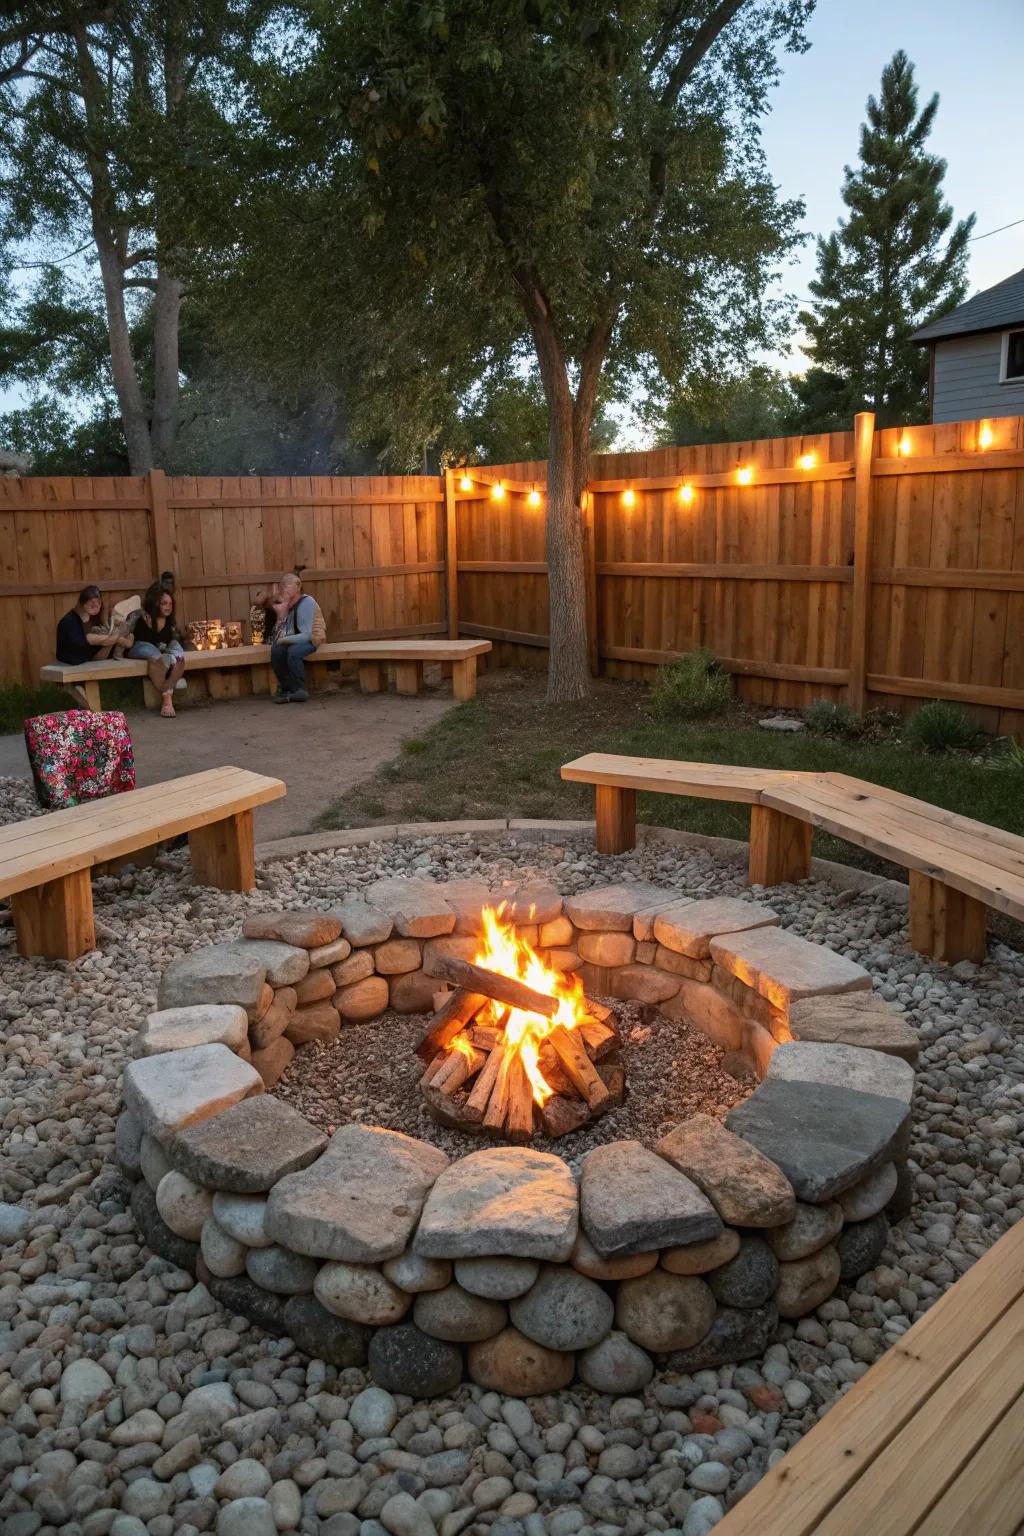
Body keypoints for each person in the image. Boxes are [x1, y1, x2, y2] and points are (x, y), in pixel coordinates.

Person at [55, 586, 134, 705]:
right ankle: (83, 694)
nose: (96, 606)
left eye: (98, 603)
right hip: (74, 658)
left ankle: (119, 643)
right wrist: (116, 637)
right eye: (91, 604)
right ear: (82, 603)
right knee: (106, 638)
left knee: (111, 637)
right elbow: (94, 639)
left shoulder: (90, 618)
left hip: (84, 655)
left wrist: (118, 638)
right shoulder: (71, 620)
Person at [128, 587, 187, 718]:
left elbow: (174, 640)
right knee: (155, 655)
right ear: (155, 603)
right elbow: (136, 639)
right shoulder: (144, 617)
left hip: (160, 650)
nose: (168, 607)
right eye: (164, 603)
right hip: (139, 647)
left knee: (176, 650)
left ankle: (170, 681)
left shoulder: (169, 621)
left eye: (170, 604)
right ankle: (168, 697)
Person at [270, 571, 326, 702]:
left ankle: (299, 689)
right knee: (276, 651)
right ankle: (286, 687)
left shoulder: (307, 602)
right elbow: (279, 633)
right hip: (295, 638)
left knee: (293, 652)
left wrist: (283, 640)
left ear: (298, 586)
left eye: (288, 584)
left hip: (313, 638)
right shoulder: (287, 605)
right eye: (282, 585)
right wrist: (280, 615)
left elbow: (307, 635)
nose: (284, 588)